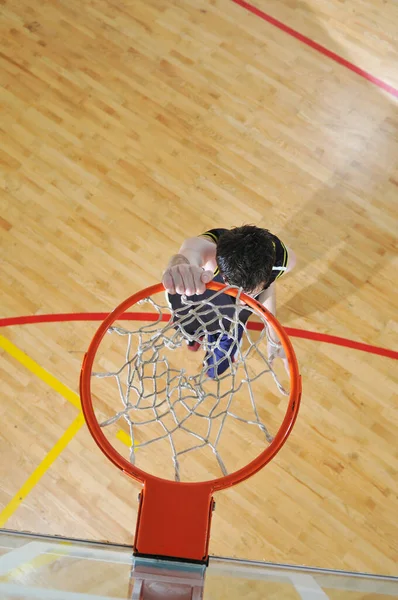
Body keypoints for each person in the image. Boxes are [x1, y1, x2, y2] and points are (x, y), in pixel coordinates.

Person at [162, 225, 296, 378]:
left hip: (231, 321)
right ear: (225, 276)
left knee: (218, 365)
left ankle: (211, 369)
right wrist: (178, 265)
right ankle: (194, 338)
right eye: (239, 291)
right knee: (187, 328)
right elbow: (189, 251)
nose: (242, 300)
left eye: (249, 293)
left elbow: (269, 286)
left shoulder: (283, 260)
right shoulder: (212, 250)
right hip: (198, 300)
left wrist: (274, 339)